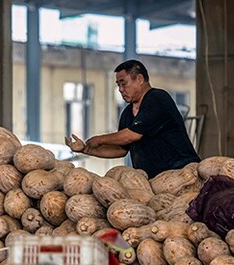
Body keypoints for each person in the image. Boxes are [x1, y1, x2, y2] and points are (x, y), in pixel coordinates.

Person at [65, 59, 200, 178]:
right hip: (153, 180)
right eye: (118, 85)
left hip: (182, 172)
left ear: (140, 79)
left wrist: (100, 139)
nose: (120, 89)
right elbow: (121, 149)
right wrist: (86, 149)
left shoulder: (157, 99)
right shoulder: (127, 114)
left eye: (124, 83)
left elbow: (131, 135)